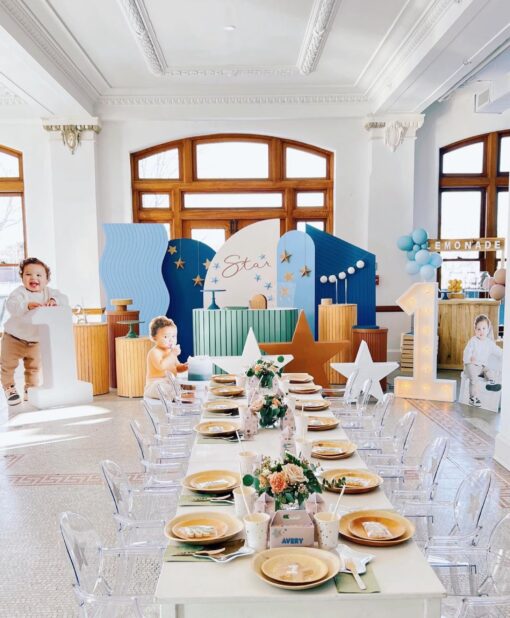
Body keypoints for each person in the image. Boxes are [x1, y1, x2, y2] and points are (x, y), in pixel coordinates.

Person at [1, 257, 68, 406]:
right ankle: (9, 388)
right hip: (14, 338)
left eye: (39, 275)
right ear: (22, 277)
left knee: (34, 368)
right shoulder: (19, 293)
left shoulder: (49, 292)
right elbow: (11, 305)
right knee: (7, 365)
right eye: (28, 274)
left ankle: (30, 389)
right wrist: (26, 305)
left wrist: (54, 300)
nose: (33, 278)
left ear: (47, 280)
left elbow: (64, 298)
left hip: (36, 340)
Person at [463, 314, 502, 407]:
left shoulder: (489, 343)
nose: (481, 331)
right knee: (474, 379)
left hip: (481, 367)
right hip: (471, 365)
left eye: (484, 328)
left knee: (488, 370)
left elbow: (498, 351)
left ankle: (491, 382)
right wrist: (470, 357)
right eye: (478, 329)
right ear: (475, 330)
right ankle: (472, 398)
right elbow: (467, 351)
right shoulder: (473, 341)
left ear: (488, 329)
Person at [144, 316, 188, 399]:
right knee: (163, 388)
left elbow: (177, 367)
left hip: (170, 382)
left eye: (173, 336)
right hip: (154, 384)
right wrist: (173, 354)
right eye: (166, 337)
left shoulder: (170, 352)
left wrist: (185, 366)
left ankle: (180, 395)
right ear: (154, 337)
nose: (171, 340)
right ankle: (177, 396)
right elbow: (161, 366)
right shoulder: (154, 352)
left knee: (183, 385)